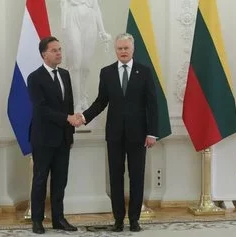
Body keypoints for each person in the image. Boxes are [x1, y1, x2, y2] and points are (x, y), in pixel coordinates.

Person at [81, 33, 158, 232]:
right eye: (120, 48)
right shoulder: (106, 73)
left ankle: (134, 220)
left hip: (139, 135)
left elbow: (153, 104)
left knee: (137, 177)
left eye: (126, 48)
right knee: (116, 178)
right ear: (115, 50)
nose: (123, 51)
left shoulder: (145, 71)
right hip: (114, 135)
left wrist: (152, 133)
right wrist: (83, 117)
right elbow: (101, 101)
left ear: (133, 50)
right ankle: (118, 220)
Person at [27, 36, 81, 234]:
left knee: (60, 181)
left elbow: (69, 105)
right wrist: (67, 118)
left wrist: (71, 132)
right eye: (54, 50)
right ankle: (37, 220)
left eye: (60, 49)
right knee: (40, 179)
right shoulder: (34, 77)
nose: (59, 53)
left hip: (63, 138)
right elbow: (41, 109)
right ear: (44, 54)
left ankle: (58, 219)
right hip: (43, 138)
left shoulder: (65, 75)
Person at [61, 0, 111, 112]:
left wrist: (102, 31)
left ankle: (83, 98)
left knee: (86, 65)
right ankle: (76, 102)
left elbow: (96, 8)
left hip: (90, 20)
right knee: (76, 64)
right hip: (73, 18)